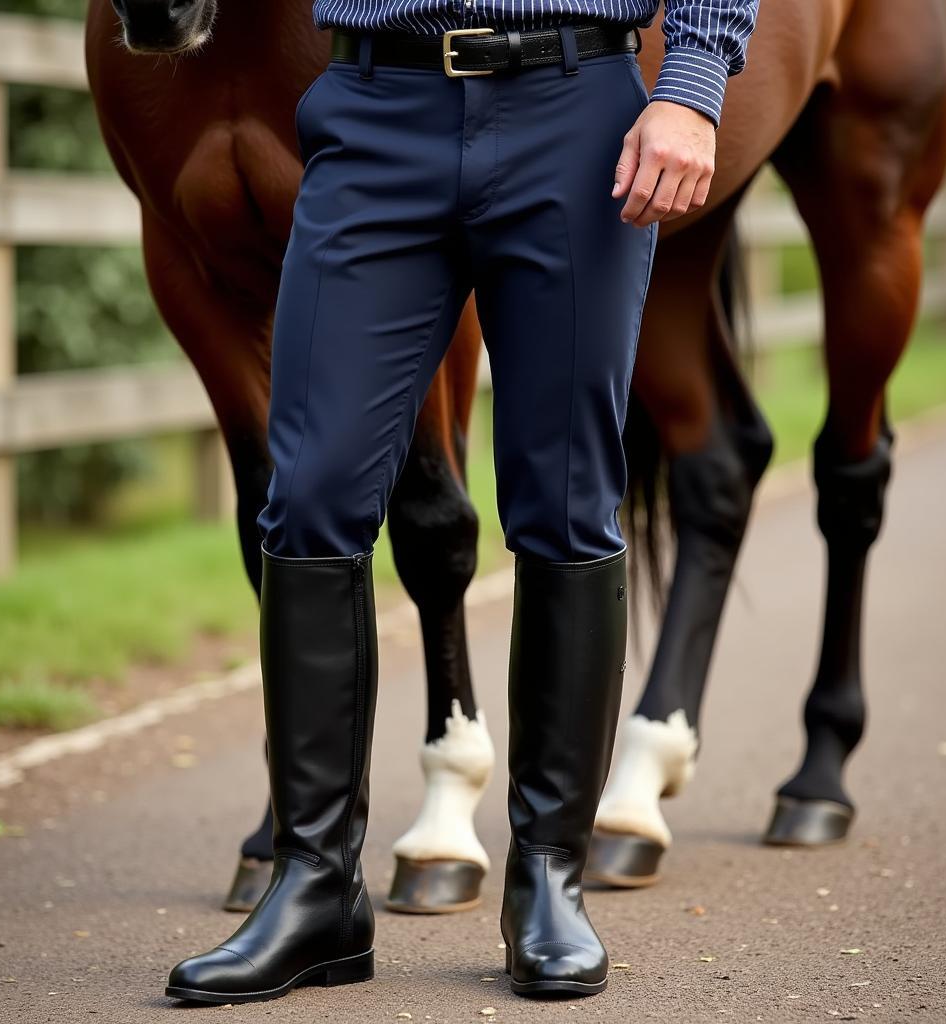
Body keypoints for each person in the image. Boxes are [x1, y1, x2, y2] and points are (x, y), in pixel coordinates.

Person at [166, 0, 758, 1004]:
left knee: (565, 499)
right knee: (307, 493)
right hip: (372, 106)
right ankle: (315, 890)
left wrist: (694, 86)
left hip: (573, 107)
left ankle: (547, 881)